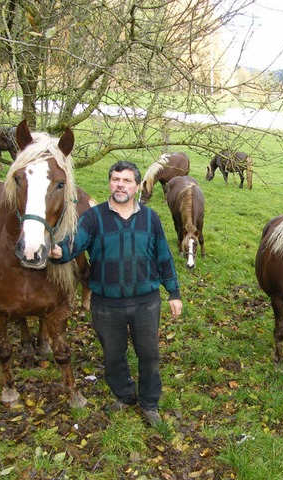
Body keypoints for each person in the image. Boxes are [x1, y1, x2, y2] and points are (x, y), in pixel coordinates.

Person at [50, 160, 182, 426]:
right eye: (115, 179)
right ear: (110, 183)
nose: (120, 184)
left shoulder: (150, 217)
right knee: (112, 355)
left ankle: (149, 403)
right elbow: (74, 242)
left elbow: (164, 256)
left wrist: (174, 292)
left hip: (145, 302)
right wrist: (60, 252)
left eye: (126, 180)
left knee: (149, 354)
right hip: (106, 304)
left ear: (136, 186)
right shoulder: (94, 216)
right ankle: (124, 395)